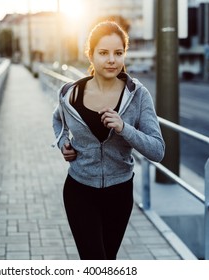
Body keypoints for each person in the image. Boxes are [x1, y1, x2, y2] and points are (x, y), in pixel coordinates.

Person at [52, 21, 165, 260]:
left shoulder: (138, 95)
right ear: (90, 55)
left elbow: (157, 150)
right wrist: (63, 143)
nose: (112, 60)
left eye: (118, 52)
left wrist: (124, 128)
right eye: (103, 53)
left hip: (120, 193)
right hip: (79, 190)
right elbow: (58, 121)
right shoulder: (69, 93)